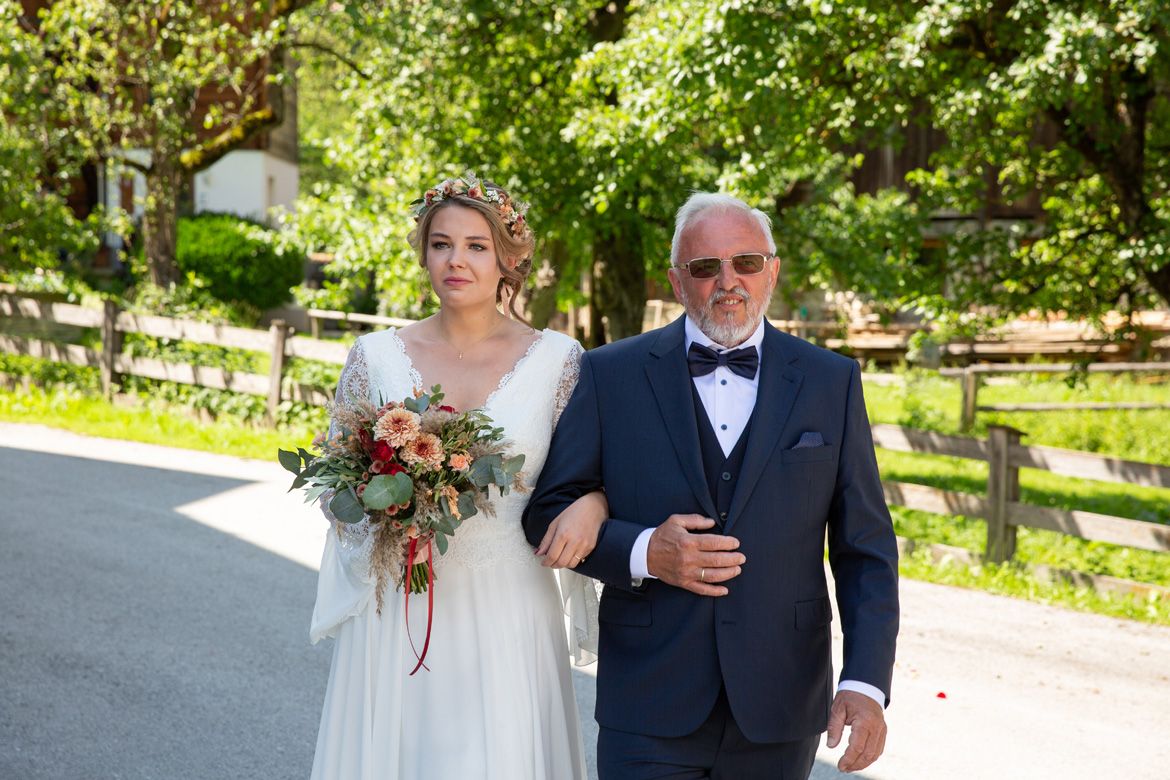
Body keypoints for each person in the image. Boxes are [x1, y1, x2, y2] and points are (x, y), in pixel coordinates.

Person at [524, 192, 900, 779]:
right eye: (705, 268)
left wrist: (866, 682)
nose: (729, 281)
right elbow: (546, 512)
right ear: (678, 282)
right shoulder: (608, 373)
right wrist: (647, 550)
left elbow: (865, 550)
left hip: (781, 702)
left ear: (771, 270)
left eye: (746, 262)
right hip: (648, 699)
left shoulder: (833, 381)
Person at [309, 173, 605, 780]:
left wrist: (596, 501)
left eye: (476, 245)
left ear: (508, 258)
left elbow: (590, 475)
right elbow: (337, 492)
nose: (456, 260)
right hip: (401, 606)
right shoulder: (374, 357)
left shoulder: (559, 361)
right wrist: (386, 497)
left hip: (510, 605)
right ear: (423, 253)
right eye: (441, 243)